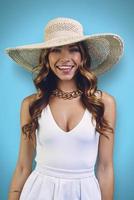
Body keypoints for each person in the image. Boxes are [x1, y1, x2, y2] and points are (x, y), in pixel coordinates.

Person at [5, 17, 124, 200]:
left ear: (83, 56)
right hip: (38, 192)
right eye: (56, 50)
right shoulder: (31, 104)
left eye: (74, 49)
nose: (65, 58)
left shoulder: (104, 103)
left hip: (86, 193)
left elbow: (105, 167)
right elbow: (23, 166)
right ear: (47, 57)